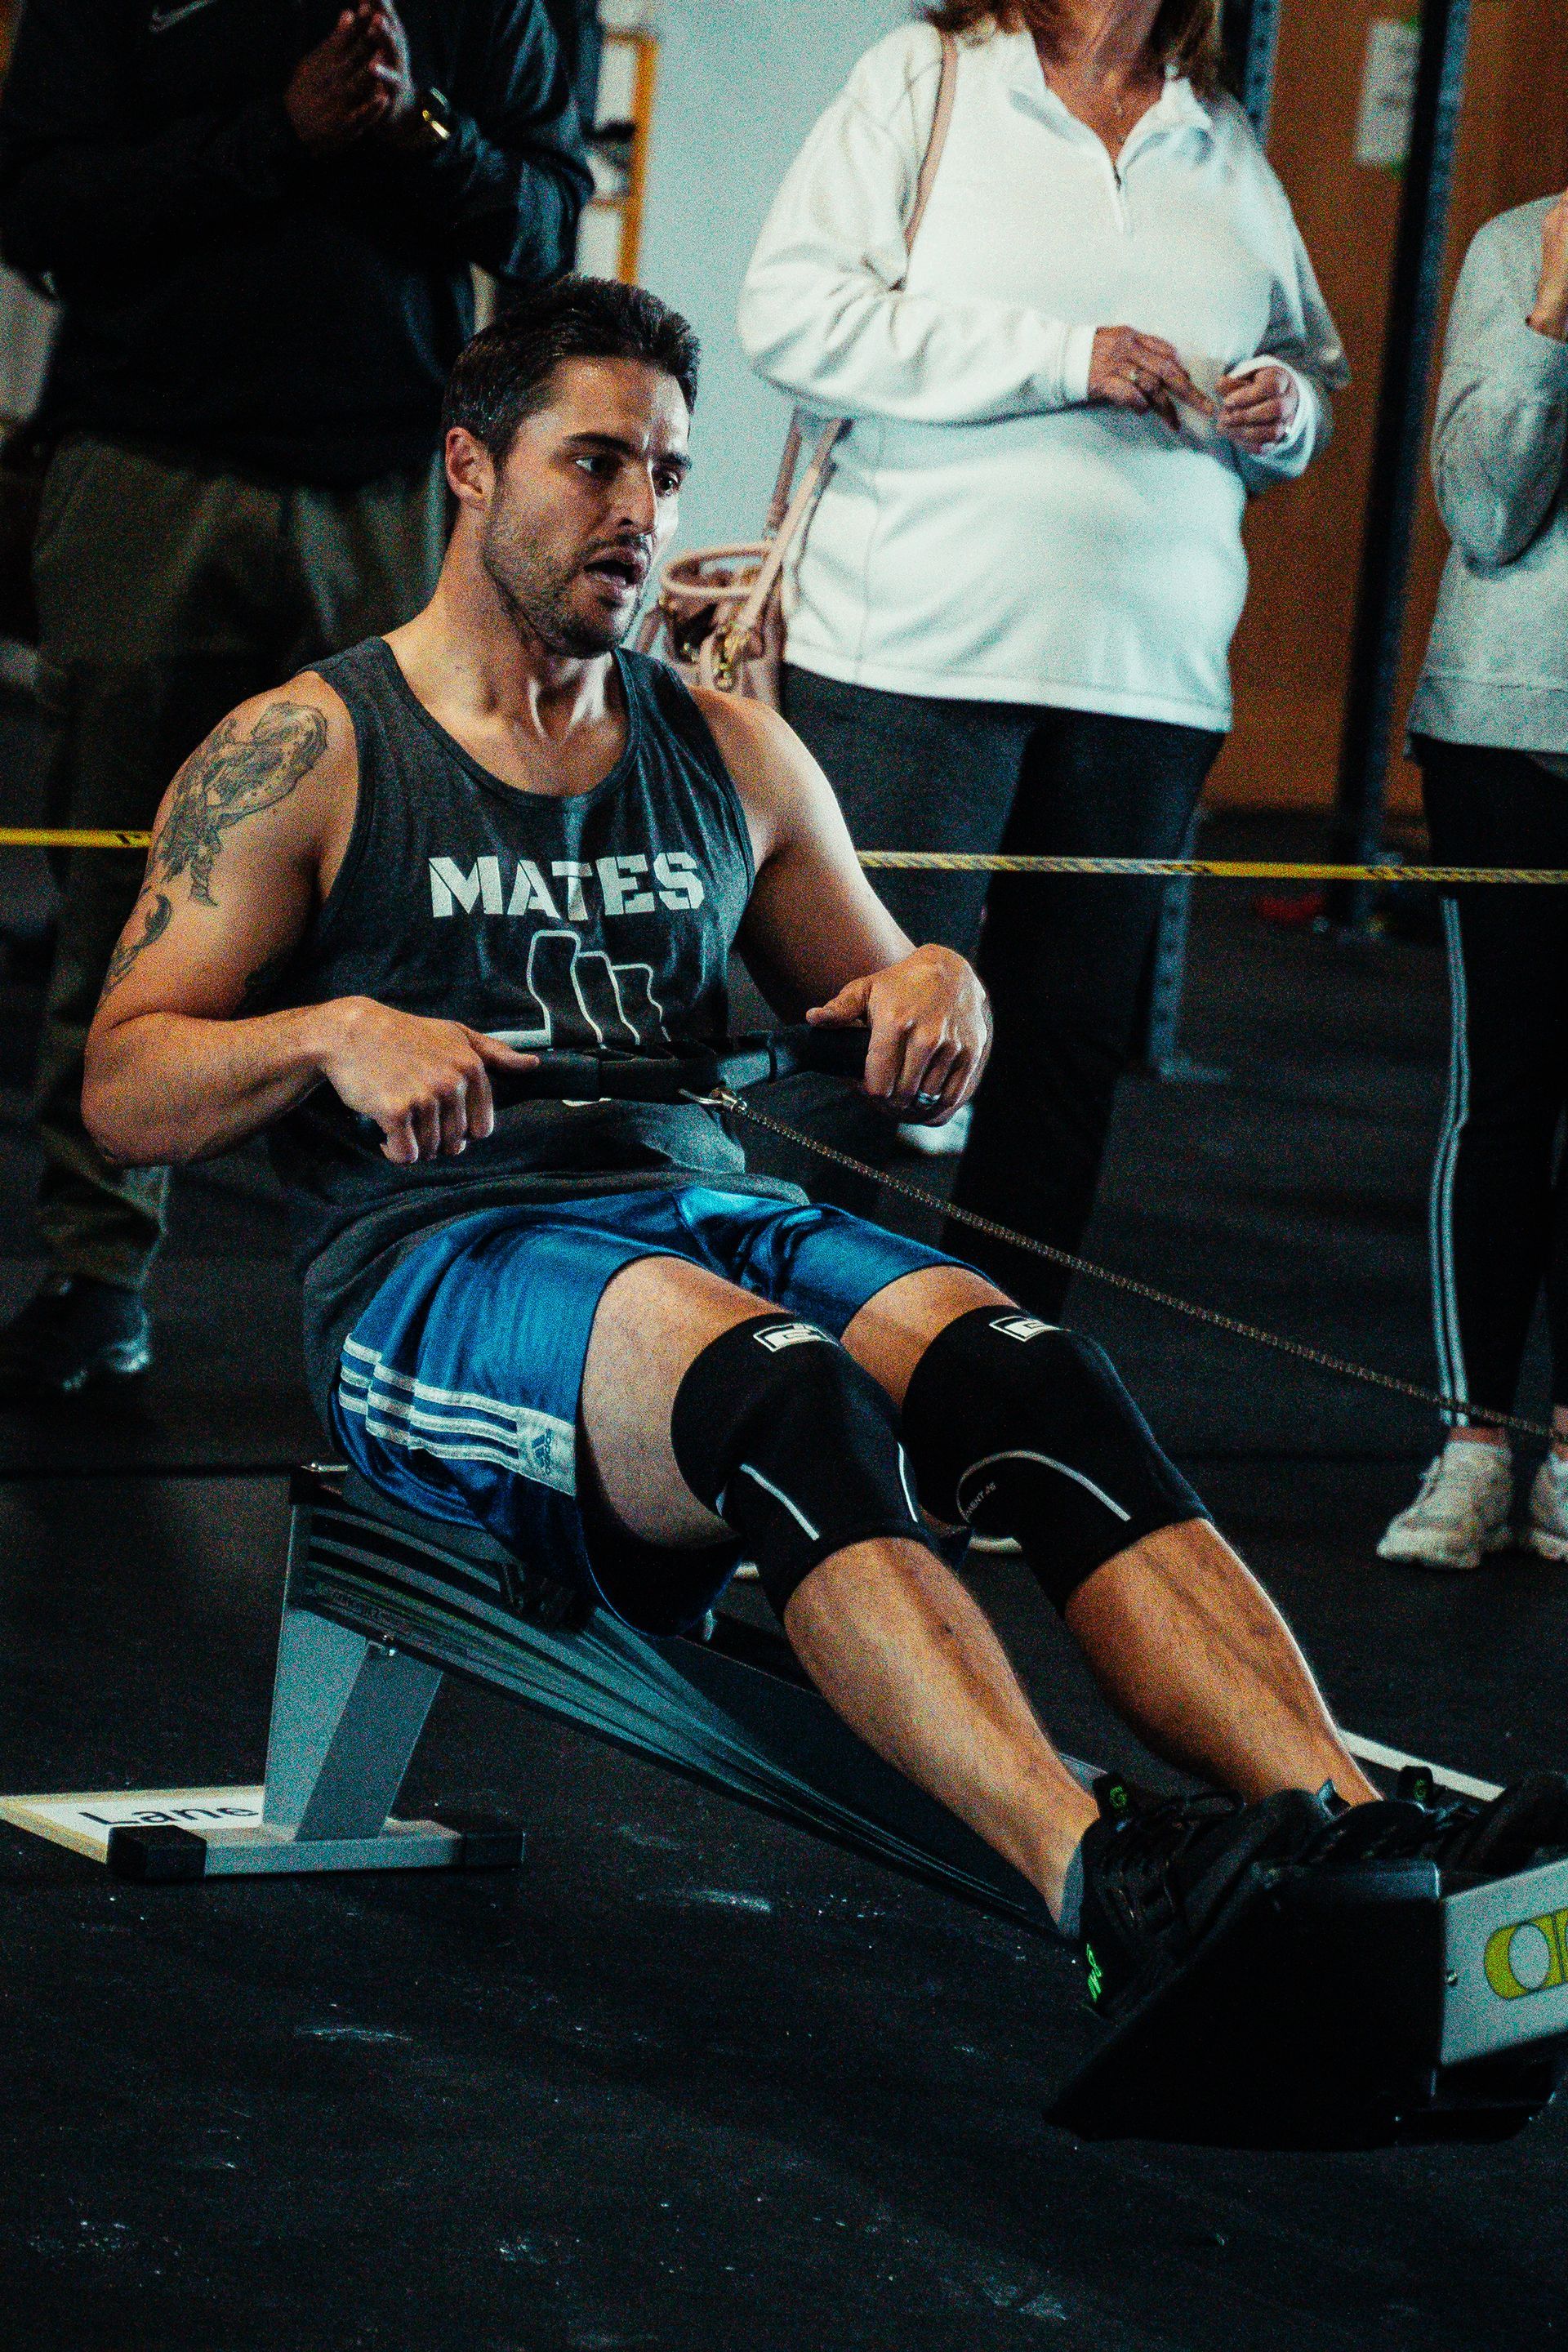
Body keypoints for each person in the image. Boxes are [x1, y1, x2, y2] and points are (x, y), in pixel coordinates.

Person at [80, 278, 1563, 2012]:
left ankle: (1361, 1831)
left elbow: (907, 1043)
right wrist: (333, 1029)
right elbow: (123, 1088)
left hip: (703, 1217)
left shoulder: (728, 751)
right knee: (781, 1391)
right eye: (596, 463)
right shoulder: (311, 750)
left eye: (669, 475)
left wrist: (947, 999)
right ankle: (1104, 1878)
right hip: (440, 1274)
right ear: (471, 467)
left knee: (1030, 1376)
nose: (639, 514)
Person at [0, 0, 590, 1401]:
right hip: (150, 463)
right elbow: (37, 212)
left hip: (390, 482)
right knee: (130, 898)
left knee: (413, 903)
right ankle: (99, 1269)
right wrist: (275, 136)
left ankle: (426, 1275)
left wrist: (414, 131)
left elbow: (543, 226)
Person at [737, 0, 1346, 1306]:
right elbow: (788, 318)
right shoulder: (929, 77)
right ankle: (767, 1397)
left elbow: (1308, 374)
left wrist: (1284, 409)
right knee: (858, 1054)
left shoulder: (1223, 138)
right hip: (911, 663)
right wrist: (1065, 356)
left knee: (1061, 1069)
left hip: (1149, 685)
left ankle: (998, 1422)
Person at [1379, 189, 1568, 1573]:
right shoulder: (1524, 247)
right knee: (1501, 1092)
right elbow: (1484, 509)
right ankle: (1473, 1445)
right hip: (1510, 728)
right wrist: (1556, 319)